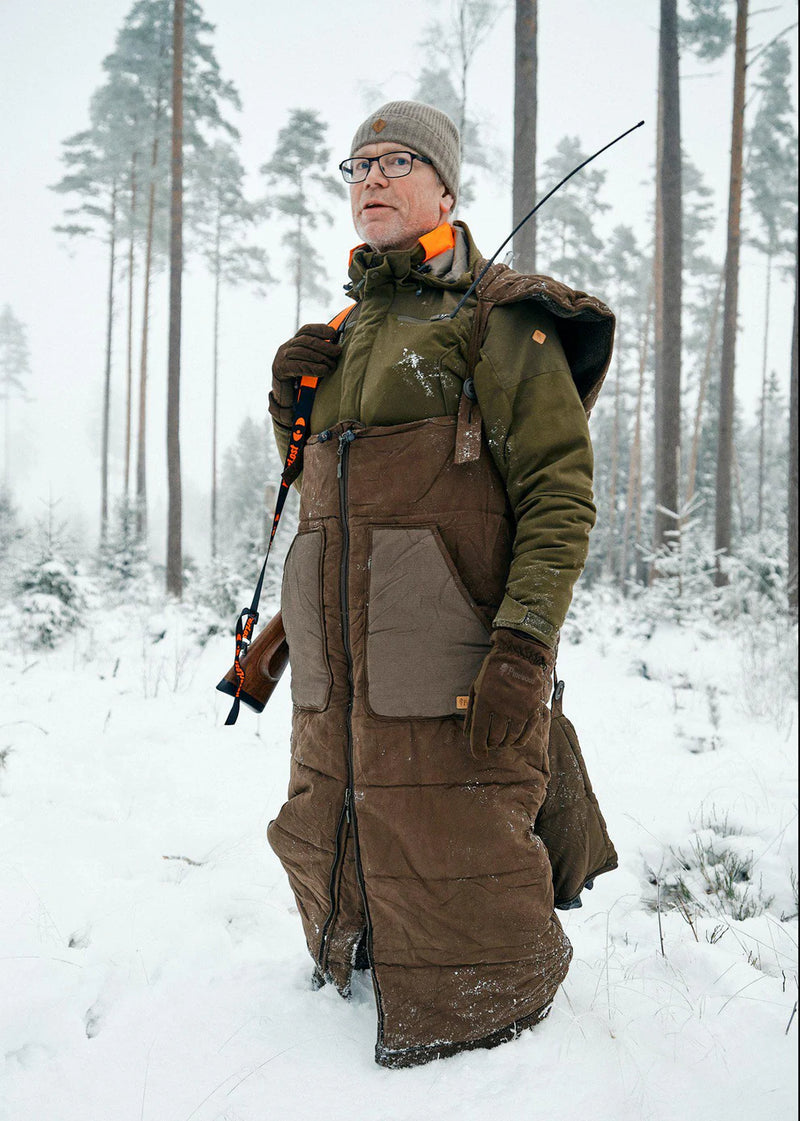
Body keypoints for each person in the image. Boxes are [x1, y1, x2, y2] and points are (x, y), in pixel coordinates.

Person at [266, 100, 615, 1069]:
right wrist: (287, 407)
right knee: (334, 803)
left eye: (396, 161)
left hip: (453, 656)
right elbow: (325, 501)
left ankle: (487, 1006)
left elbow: (557, 492)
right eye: (358, 164)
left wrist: (524, 642)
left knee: (458, 822)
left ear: (445, 189)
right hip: (342, 670)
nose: (371, 178)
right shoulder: (342, 335)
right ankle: (355, 952)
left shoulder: (497, 318)